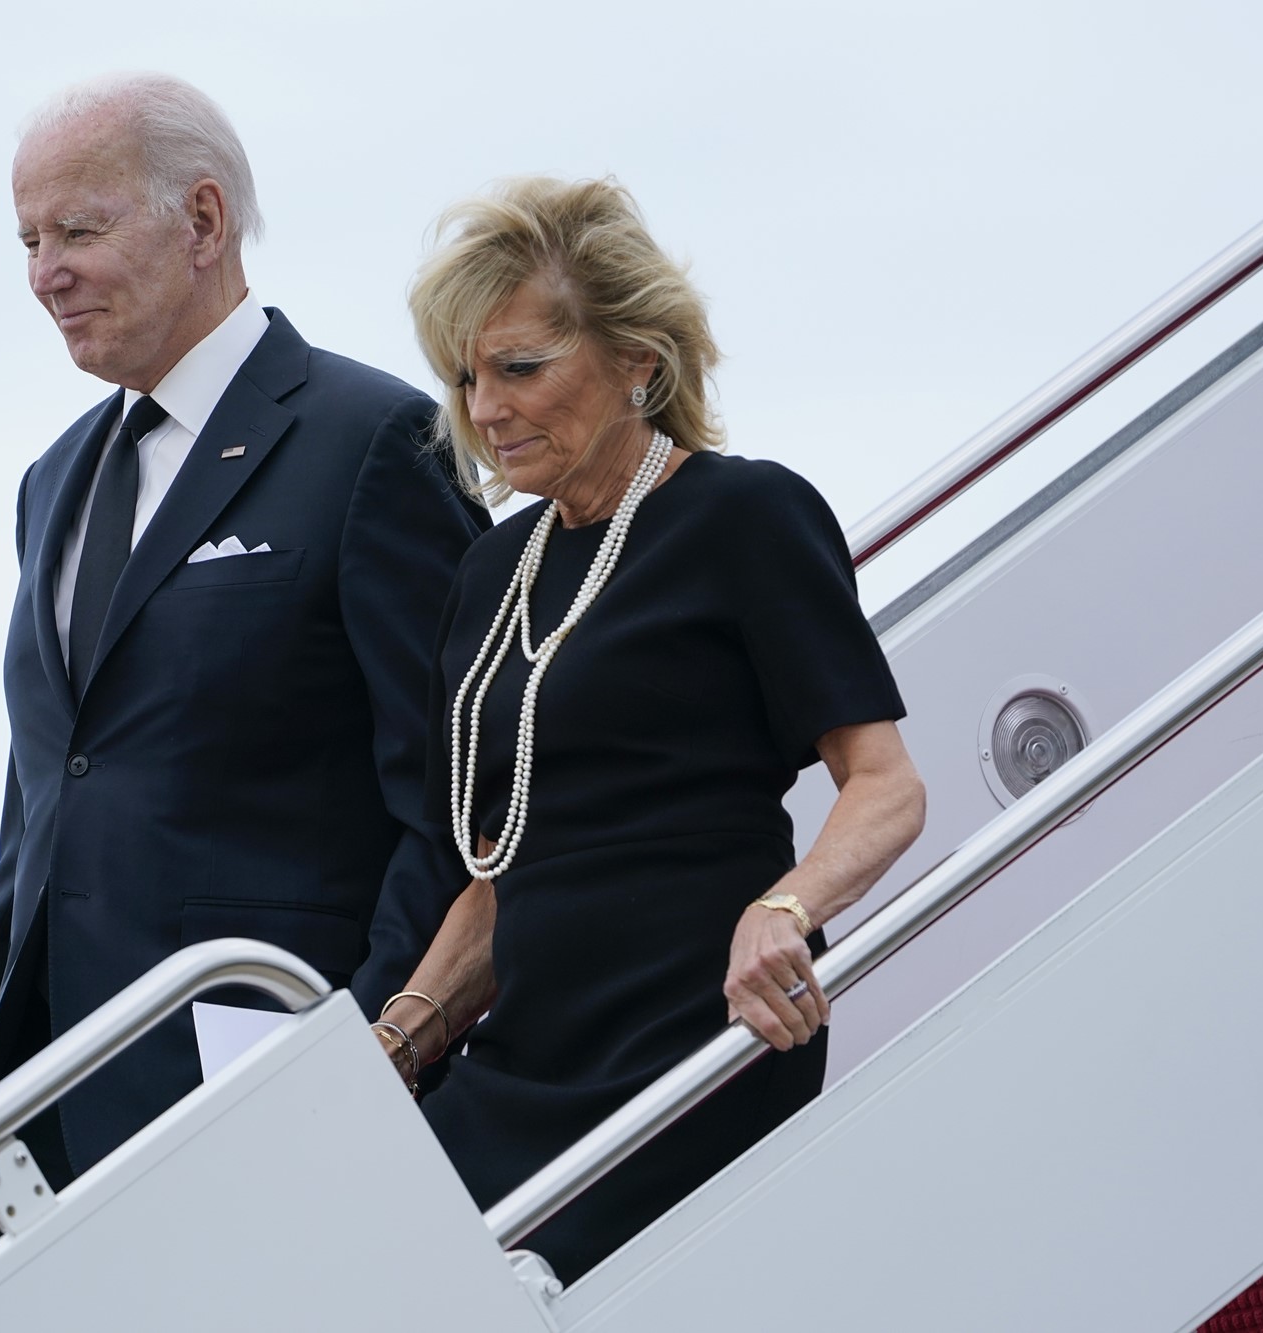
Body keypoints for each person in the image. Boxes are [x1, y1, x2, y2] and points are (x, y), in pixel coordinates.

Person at [0, 73, 486, 1302]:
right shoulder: (52, 484)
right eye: (29, 241)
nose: (45, 272)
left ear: (202, 222)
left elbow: (451, 805)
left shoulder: (370, 441)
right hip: (27, 1120)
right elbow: (37, 831)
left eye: (78, 231)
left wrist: (362, 1052)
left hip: (256, 1103)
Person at [375, 176, 927, 1283]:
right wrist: (395, 1037)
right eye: (465, 376)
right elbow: (501, 871)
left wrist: (786, 910)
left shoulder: (742, 515)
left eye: (520, 368)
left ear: (637, 358)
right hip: (520, 1056)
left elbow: (883, 782)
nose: (484, 411)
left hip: (696, 1035)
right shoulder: (489, 572)